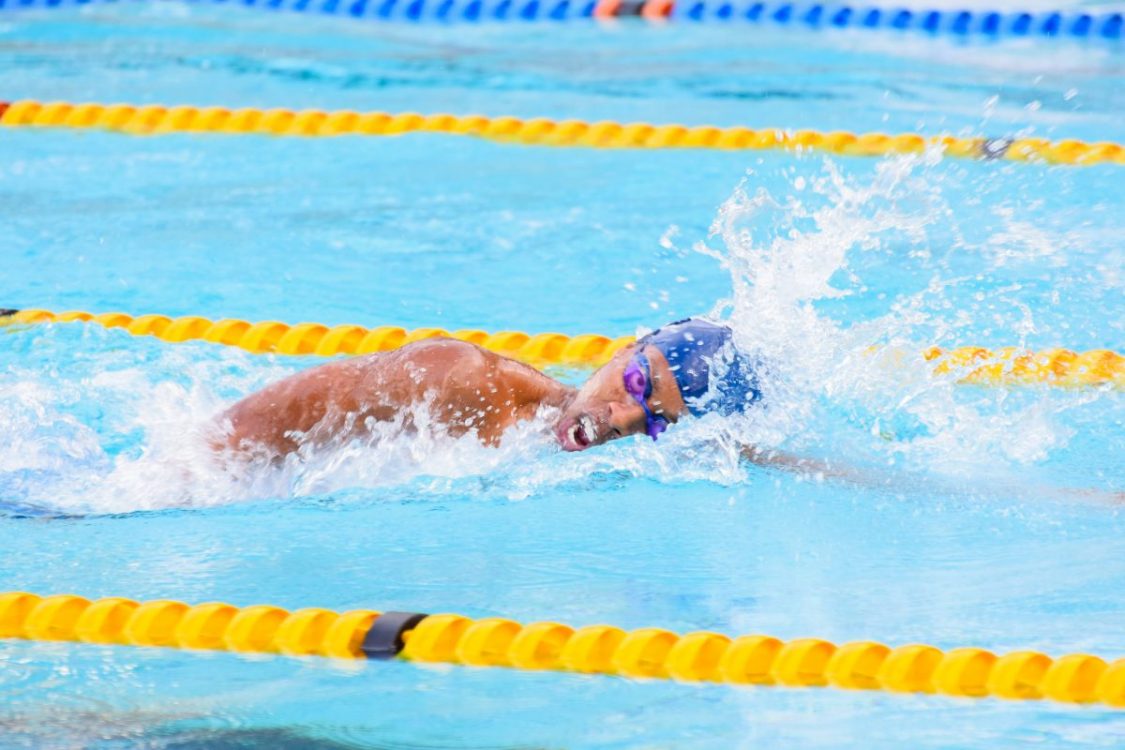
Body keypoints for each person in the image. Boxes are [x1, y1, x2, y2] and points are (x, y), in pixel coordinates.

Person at [215, 318, 761, 458]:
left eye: (656, 421)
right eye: (637, 384)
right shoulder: (460, 377)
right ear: (624, 351)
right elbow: (245, 431)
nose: (622, 419)